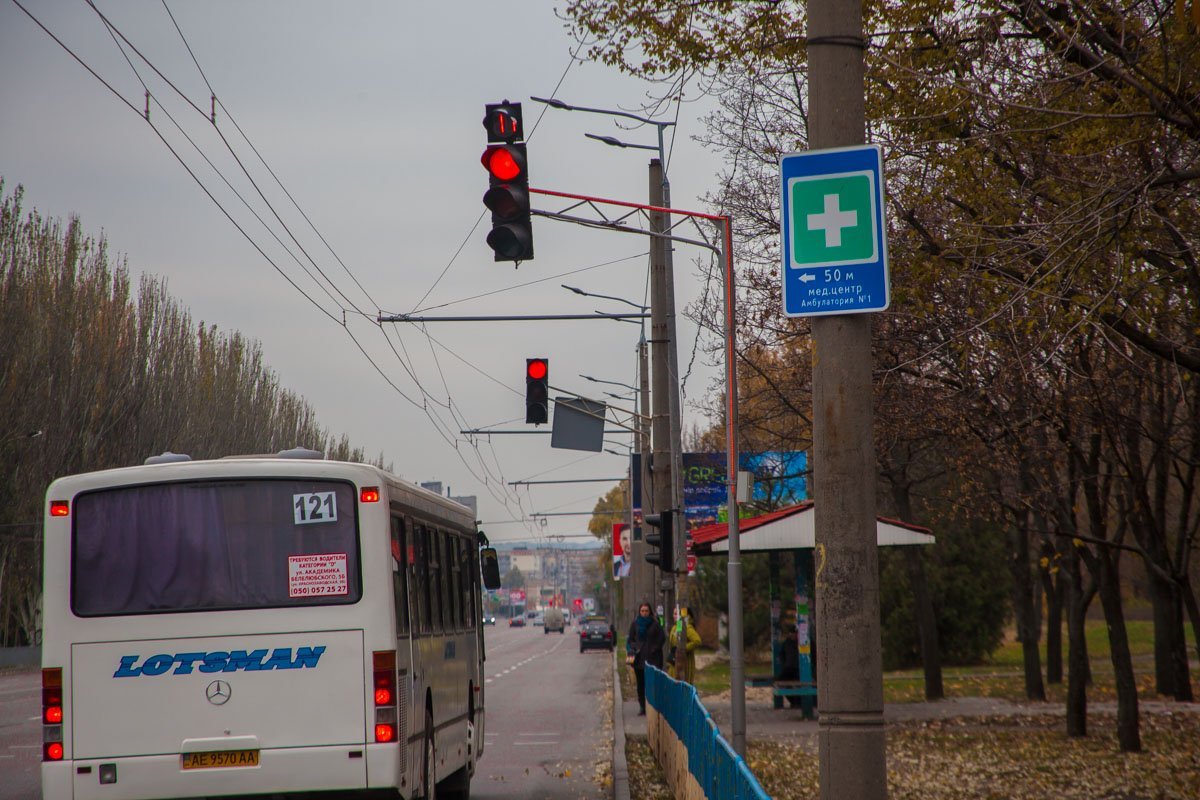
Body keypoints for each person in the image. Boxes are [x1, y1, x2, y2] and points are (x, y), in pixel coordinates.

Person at [626, 601, 665, 715]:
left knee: (652, 685)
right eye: (642, 611)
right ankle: (642, 706)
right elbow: (631, 639)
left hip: (653, 659)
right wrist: (633, 647)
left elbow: (662, 638)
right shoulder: (635, 624)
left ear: (650, 612)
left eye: (646, 611)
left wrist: (654, 649)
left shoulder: (655, 624)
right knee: (640, 684)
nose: (644, 613)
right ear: (639, 612)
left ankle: (652, 707)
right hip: (639, 660)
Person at [668, 606, 702, 684]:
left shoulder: (687, 627)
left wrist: (683, 649)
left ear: (682, 615)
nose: (674, 616)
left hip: (685, 663)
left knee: (683, 686)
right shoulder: (675, 627)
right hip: (674, 662)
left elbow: (697, 641)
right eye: (674, 614)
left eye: (676, 614)